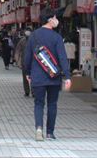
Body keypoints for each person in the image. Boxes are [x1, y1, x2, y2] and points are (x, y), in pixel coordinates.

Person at [24, 10, 71, 141]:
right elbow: (62, 57)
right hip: (53, 77)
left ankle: (39, 128)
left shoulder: (33, 36)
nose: (57, 20)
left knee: (38, 103)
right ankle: (50, 132)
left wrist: (28, 73)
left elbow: (27, 57)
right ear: (50, 20)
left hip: (37, 77)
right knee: (52, 104)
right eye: (55, 18)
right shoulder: (56, 37)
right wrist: (67, 76)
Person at [14, 28, 31, 95]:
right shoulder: (22, 41)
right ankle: (27, 91)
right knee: (25, 77)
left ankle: (33, 91)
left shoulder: (34, 41)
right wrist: (18, 61)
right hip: (24, 62)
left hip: (33, 63)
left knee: (33, 77)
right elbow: (17, 51)